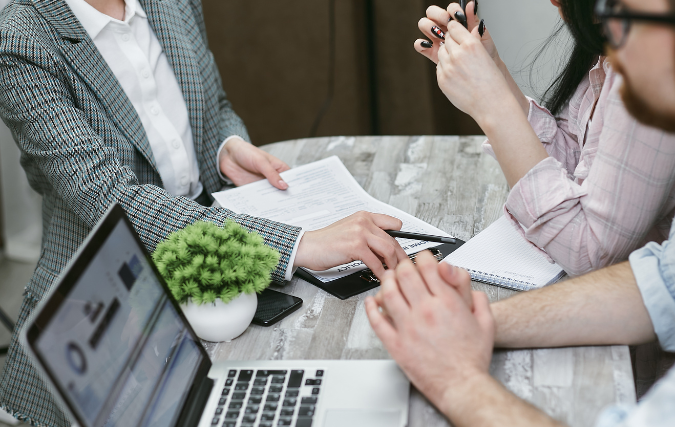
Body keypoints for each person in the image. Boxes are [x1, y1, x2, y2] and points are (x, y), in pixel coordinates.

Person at [0, 0, 409, 425]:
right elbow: (113, 201)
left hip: (220, 272)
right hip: (109, 323)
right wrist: (300, 243)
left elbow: (212, 102)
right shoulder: (21, 38)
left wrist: (223, 146)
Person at [366, 0, 675, 424]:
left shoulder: (646, 66)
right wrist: (496, 82)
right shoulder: (622, 57)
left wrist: (495, 108)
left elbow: (591, 249)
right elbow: (660, 280)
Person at [415, 0, 675, 276]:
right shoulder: (618, 44)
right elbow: (581, 171)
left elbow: (591, 254)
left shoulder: (654, 63)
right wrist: (495, 74)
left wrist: (493, 103)